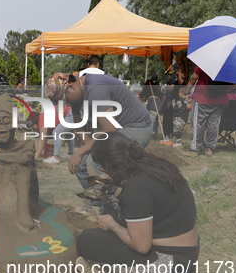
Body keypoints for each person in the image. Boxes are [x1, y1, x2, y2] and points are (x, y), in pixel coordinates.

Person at [75, 132, 199, 273]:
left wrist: (111, 226)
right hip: (187, 256)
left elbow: (142, 246)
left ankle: (109, 272)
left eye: (102, 166)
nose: (103, 171)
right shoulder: (157, 166)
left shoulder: (137, 187)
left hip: (168, 267)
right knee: (111, 213)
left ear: (109, 165)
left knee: (87, 239)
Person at [66, 66, 153, 212]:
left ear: (71, 86)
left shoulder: (95, 88)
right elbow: (80, 128)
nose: (67, 103)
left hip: (137, 127)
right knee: (83, 163)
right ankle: (97, 204)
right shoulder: (76, 97)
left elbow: (109, 130)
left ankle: (110, 209)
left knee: (94, 161)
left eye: (65, 98)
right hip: (117, 130)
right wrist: (89, 151)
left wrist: (81, 152)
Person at [185, 67, 229, 157]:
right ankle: (209, 149)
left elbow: (193, 79)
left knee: (198, 124)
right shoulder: (228, 67)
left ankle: (194, 149)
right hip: (220, 100)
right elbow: (234, 84)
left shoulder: (205, 63)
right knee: (214, 125)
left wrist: (187, 92)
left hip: (202, 98)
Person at [33, 73, 76, 164]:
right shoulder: (43, 116)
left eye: (33, 126)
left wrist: (35, 156)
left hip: (69, 113)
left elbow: (43, 139)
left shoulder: (42, 119)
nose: (35, 129)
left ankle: (55, 157)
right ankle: (70, 153)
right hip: (71, 110)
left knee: (56, 132)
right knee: (68, 133)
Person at [138, 74, 164, 138]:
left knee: (151, 118)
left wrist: (142, 95)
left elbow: (142, 94)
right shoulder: (159, 86)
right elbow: (161, 95)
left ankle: (150, 136)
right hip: (158, 101)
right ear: (157, 79)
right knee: (155, 119)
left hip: (152, 100)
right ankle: (154, 135)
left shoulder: (149, 85)